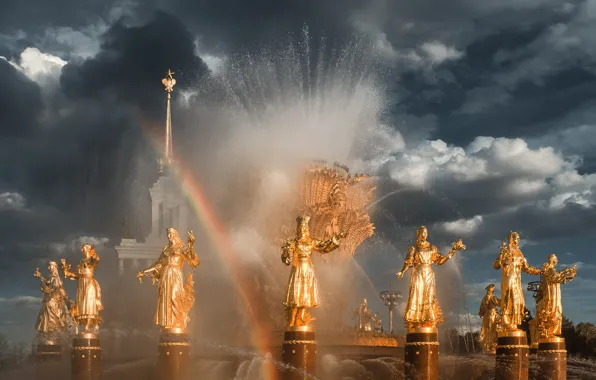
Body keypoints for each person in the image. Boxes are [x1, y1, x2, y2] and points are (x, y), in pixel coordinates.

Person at [281, 215, 345, 327]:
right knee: (296, 294)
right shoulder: (294, 243)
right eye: (300, 228)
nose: (302, 230)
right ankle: (292, 321)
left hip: (308, 270)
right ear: (297, 229)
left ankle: (300, 317)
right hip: (298, 268)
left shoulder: (311, 242)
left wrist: (336, 238)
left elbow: (323, 246)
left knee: (305, 294)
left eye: (304, 227)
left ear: (307, 229)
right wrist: (286, 253)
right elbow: (286, 259)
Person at [397, 226, 466, 329]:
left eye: (426, 233)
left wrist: (452, 251)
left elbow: (440, 260)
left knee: (429, 296)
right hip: (417, 274)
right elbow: (408, 262)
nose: (424, 235)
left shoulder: (432, 248)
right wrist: (402, 271)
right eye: (422, 233)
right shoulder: (413, 248)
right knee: (416, 295)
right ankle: (416, 321)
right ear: (418, 234)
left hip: (429, 274)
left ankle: (427, 320)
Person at [137, 228, 199, 330]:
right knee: (165, 299)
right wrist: (144, 272)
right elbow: (158, 264)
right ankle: (169, 324)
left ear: (175, 235)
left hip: (175, 274)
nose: (169, 236)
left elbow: (192, 258)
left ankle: (178, 322)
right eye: (168, 234)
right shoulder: (166, 250)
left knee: (175, 296)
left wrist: (191, 245)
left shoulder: (181, 247)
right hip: (165, 275)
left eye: (170, 234)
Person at [493, 232, 541, 331]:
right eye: (516, 238)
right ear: (511, 239)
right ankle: (506, 320)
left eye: (519, 239)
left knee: (518, 300)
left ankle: (513, 323)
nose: (517, 241)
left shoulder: (519, 253)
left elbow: (527, 268)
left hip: (517, 281)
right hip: (508, 279)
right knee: (508, 298)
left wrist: (539, 271)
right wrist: (502, 259)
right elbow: (495, 265)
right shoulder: (505, 251)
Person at [61, 244, 103, 332]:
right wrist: (65, 270)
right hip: (81, 285)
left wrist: (93, 253)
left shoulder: (91, 260)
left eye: (83, 247)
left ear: (88, 249)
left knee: (89, 303)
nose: (81, 249)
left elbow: (96, 260)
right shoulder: (81, 262)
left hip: (88, 283)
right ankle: (85, 324)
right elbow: (76, 275)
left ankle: (89, 324)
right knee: (82, 303)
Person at [536, 254, 576, 339]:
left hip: (555, 294)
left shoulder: (551, 270)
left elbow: (557, 276)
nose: (557, 261)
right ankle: (550, 331)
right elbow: (554, 278)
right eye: (556, 260)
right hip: (552, 294)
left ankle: (552, 331)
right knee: (553, 310)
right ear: (553, 260)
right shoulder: (550, 269)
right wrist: (565, 276)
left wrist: (568, 276)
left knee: (555, 310)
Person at [34, 261, 70, 341]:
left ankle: (51, 334)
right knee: (46, 318)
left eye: (50, 266)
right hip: (48, 301)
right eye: (48, 266)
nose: (48, 268)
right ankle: (48, 335)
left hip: (52, 301)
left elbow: (54, 288)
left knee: (51, 318)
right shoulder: (51, 278)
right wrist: (40, 277)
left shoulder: (55, 278)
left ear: (54, 267)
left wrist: (47, 289)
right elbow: (46, 285)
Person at [478, 284, 500, 353]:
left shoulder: (484, 299)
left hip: (486, 316)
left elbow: (481, 310)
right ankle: (491, 346)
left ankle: (487, 346)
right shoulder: (493, 298)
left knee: (487, 330)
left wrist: (481, 314)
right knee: (492, 330)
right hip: (491, 315)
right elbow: (501, 303)